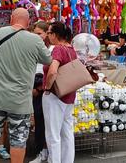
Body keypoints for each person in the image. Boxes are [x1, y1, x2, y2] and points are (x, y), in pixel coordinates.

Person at [0, 8, 52, 163]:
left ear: (11, 18)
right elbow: (48, 60)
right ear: (28, 22)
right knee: (18, 139)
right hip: (20, 101)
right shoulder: (35, 40)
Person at [42, 21, 76, 163]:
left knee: (53, 134)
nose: (48, 36)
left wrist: (47, 87)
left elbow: (53, 71)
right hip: (69, 94)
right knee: (67, 132)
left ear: (55, 35)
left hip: (55, 95)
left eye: (49, 33)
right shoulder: (71, 49)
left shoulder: (58, 49)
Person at [30, 21, 51, 163]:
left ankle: (46, 151)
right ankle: (41, 150)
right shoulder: (32, 48)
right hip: (35, 84)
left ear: (47, 34)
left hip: (45, 86)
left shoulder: (52, 49)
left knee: (47, 122)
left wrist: (40, 88)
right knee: (39, 120)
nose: (37, 36)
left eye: (39, 34)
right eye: (34, 34)